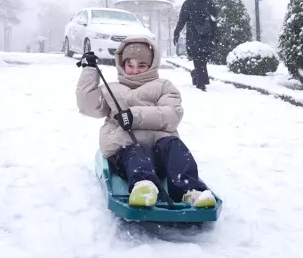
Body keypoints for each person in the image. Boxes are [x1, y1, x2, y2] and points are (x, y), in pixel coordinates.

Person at [75, 35, 217, 208]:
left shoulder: (164, 86)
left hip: (161, 148)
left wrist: (135, 117)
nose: (135, 70)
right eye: (130, 65)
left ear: (151, 65)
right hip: (126, 149)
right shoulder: (110, 89)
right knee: (137, 151)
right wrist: (89, 70)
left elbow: (171, 114)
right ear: (122, 64)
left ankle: (190, 191)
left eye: (142, 65)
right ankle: (143, 186)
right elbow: (87, 105)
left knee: (176, 146)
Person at [173, 0, 217, 91]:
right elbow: (182, 20)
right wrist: (176, 32)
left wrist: (214, 35)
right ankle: (201, 83)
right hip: (193, 35)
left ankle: (195, 74)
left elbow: (214, 21)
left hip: (206, 36)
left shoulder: (209, 3)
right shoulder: (188, 3)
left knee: (204, 58)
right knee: (198, 59)